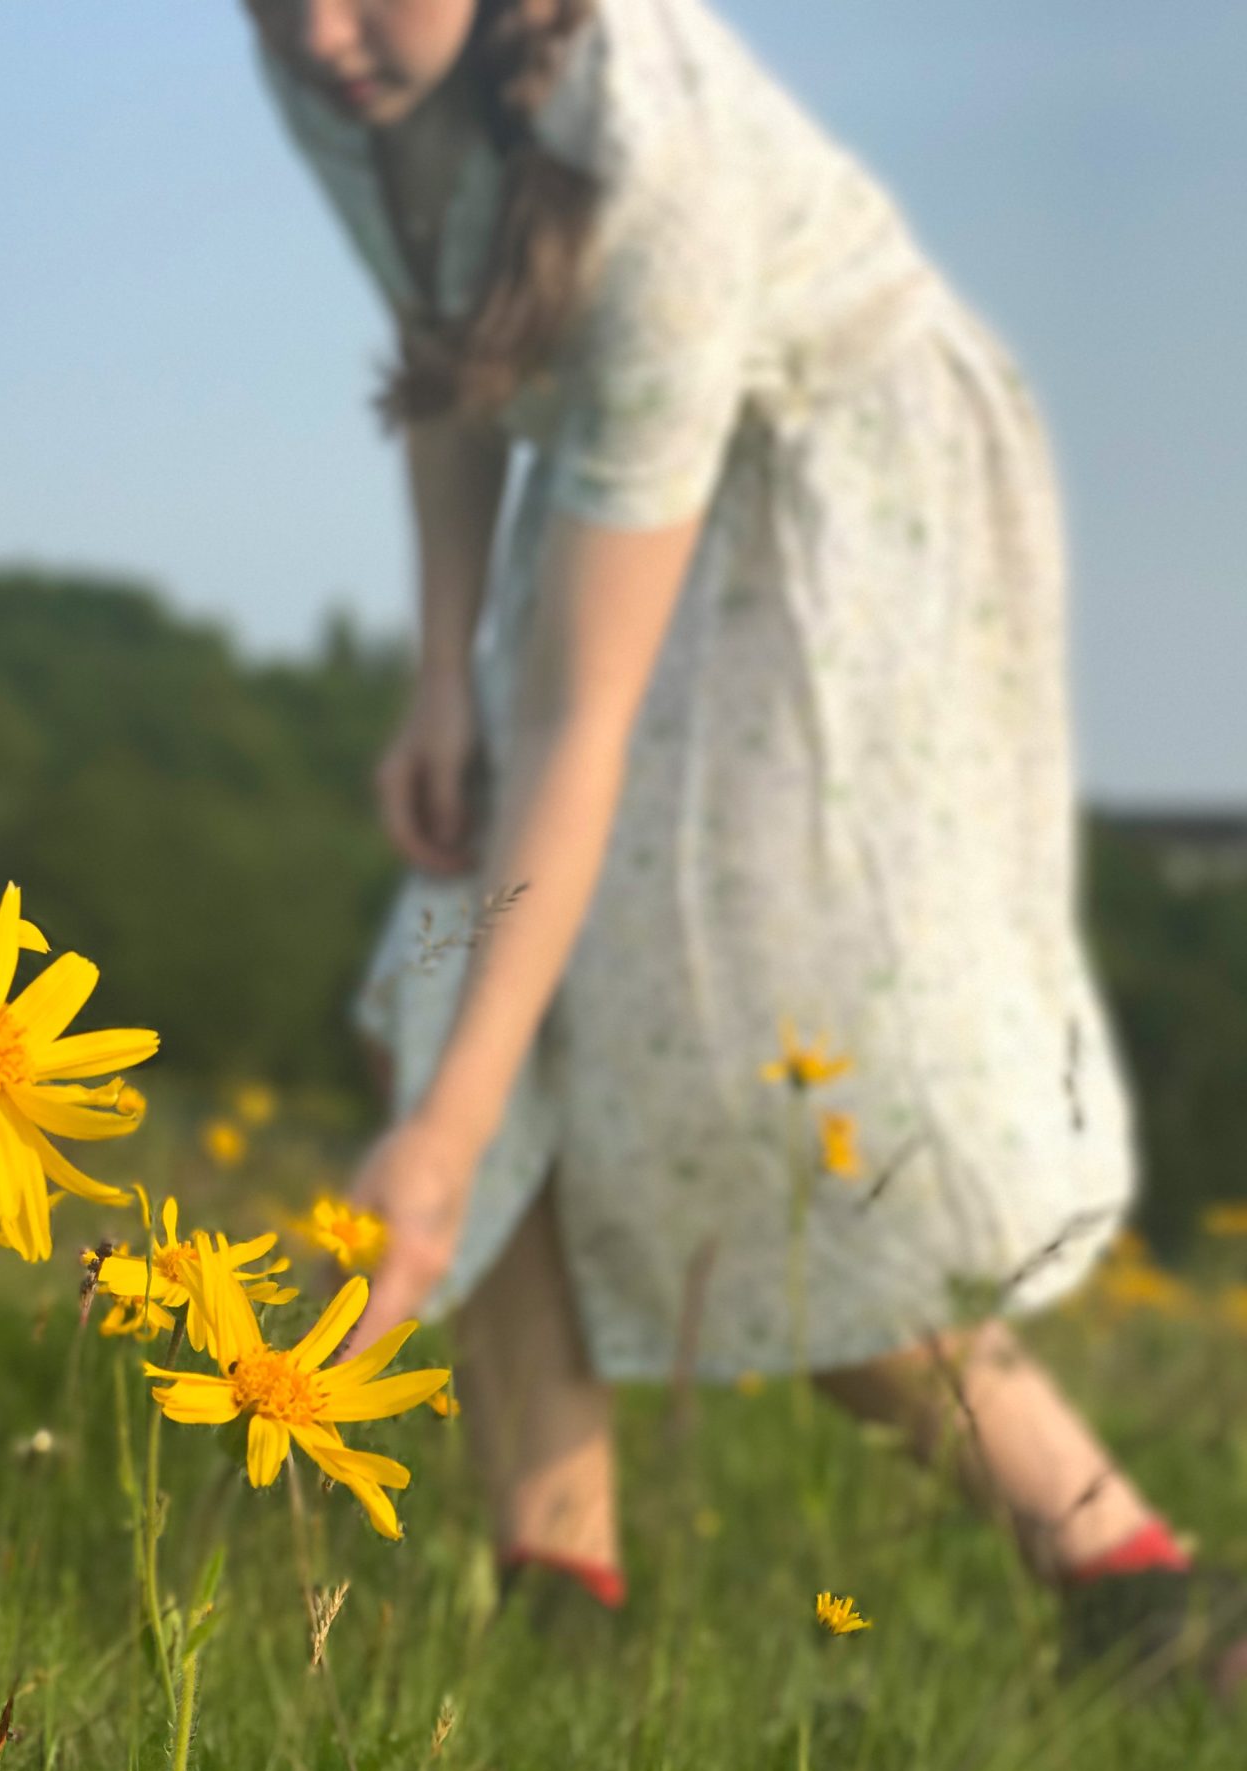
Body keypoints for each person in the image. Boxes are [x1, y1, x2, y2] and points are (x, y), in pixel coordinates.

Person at [257, 0, 1238, 1673]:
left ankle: (1128, 1583)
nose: (325, 32)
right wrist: (437, 674)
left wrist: (443, 1139)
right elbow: (448, 355)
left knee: (727, 1079)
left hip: (839, 517)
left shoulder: (656, 164)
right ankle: (562, 1606)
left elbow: (579, 732)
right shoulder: (348, 75)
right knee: (444, 986)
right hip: (613, 531)